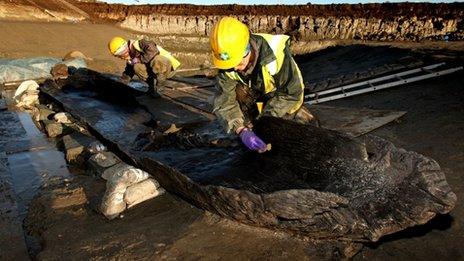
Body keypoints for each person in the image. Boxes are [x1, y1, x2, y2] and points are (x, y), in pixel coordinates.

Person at [210, 17, 316, 153]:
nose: (235, 68)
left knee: (299, 128)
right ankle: (250, 125)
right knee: (238, 92)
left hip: (278, 96)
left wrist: (265, 123)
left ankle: (262, 123)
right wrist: (241, 130)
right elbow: (225, 103)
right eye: (230, 64)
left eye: (238, 62)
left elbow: (291, 94)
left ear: (247, 48)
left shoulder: (276, 53)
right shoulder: (227, 65)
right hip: (252, 95)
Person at [108, 37, 181, 97]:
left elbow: (153, 52)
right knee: (136, 67)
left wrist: (138, 59)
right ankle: (152, 88)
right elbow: (128, 74)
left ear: (124, 51)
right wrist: (119, 85)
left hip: (169, 69)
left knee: (158, 60)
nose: (120, 58)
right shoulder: (131, 58)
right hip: (156, 72)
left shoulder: (141, 43)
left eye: (119, 55)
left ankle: (159, 90)